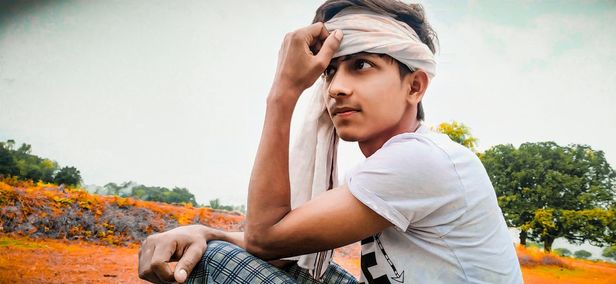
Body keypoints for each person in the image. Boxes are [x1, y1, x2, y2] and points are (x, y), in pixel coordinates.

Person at [138, 0, 522, 283]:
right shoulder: (386, 166)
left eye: (362, 65)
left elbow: (264, 237)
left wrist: (283, 93)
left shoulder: (423, 160)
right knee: (287, 262)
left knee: (215, 261)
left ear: (415, 85)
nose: (336, 88)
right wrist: (205, 230)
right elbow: (280, 244)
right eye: (330, 72)